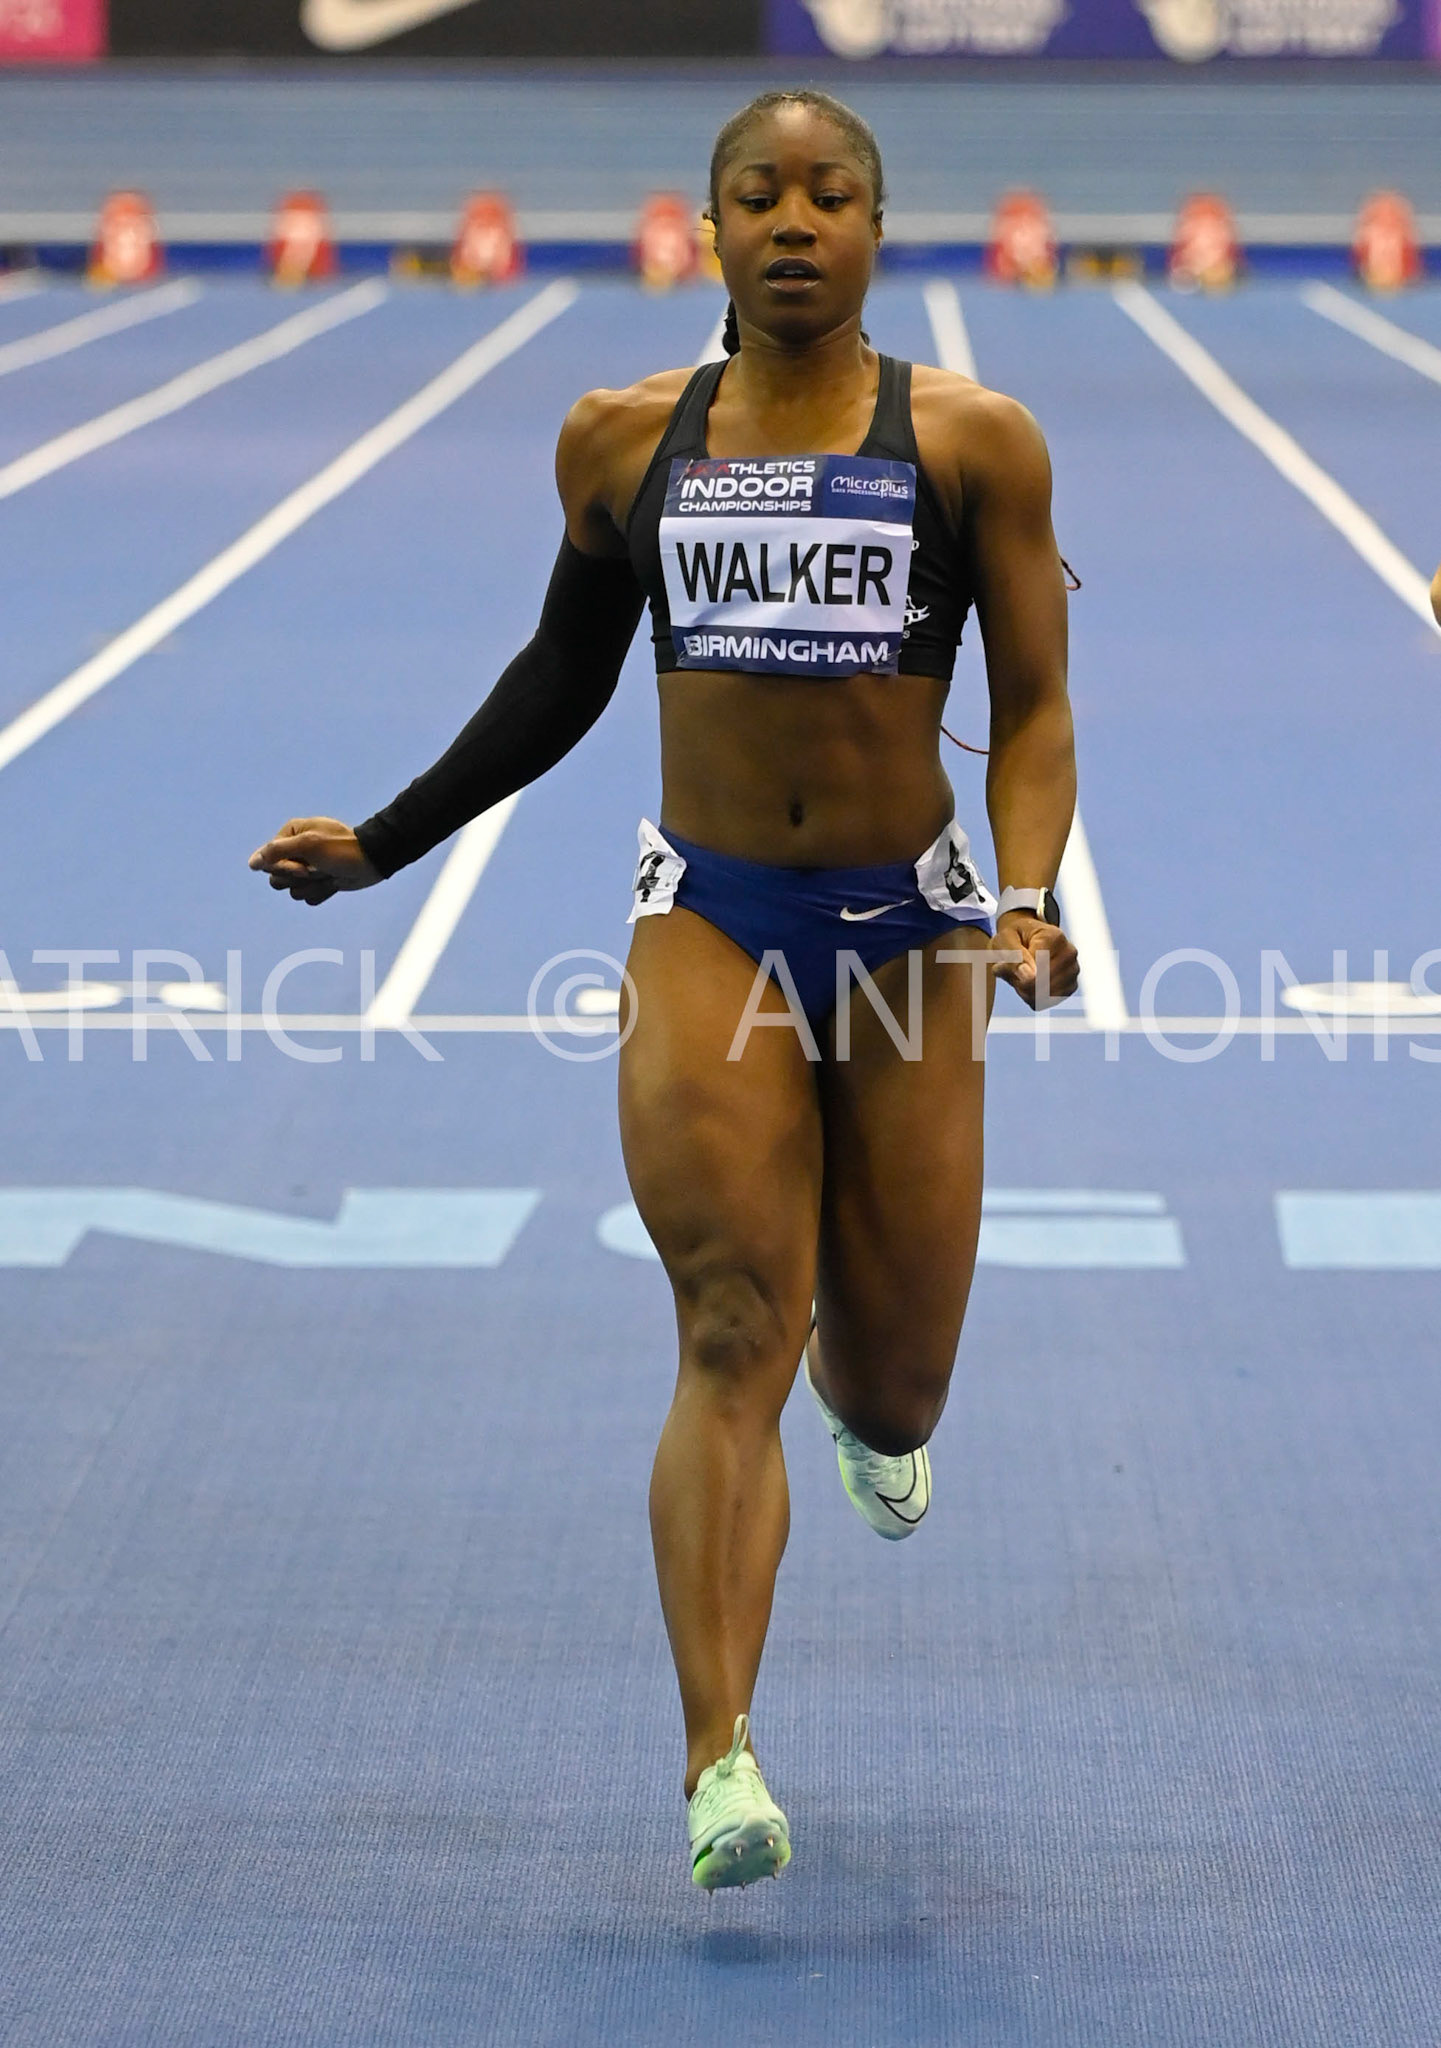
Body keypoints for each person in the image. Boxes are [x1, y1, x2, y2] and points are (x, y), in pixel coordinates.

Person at [249, 87, 1081, 1892]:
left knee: (900, 1380)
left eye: (830, 194)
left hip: (912, 936)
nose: (795, 222)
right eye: (758, 197)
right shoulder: (622, 442)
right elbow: (556, 679)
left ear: (876, 226)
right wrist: (385, 846)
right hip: (709, 915)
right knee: (728, 1326)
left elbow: (1031, 710)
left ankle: (878, 1425)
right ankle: (718, 1757)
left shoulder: (975, 444)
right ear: (704, 231)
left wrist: (1024, 903)